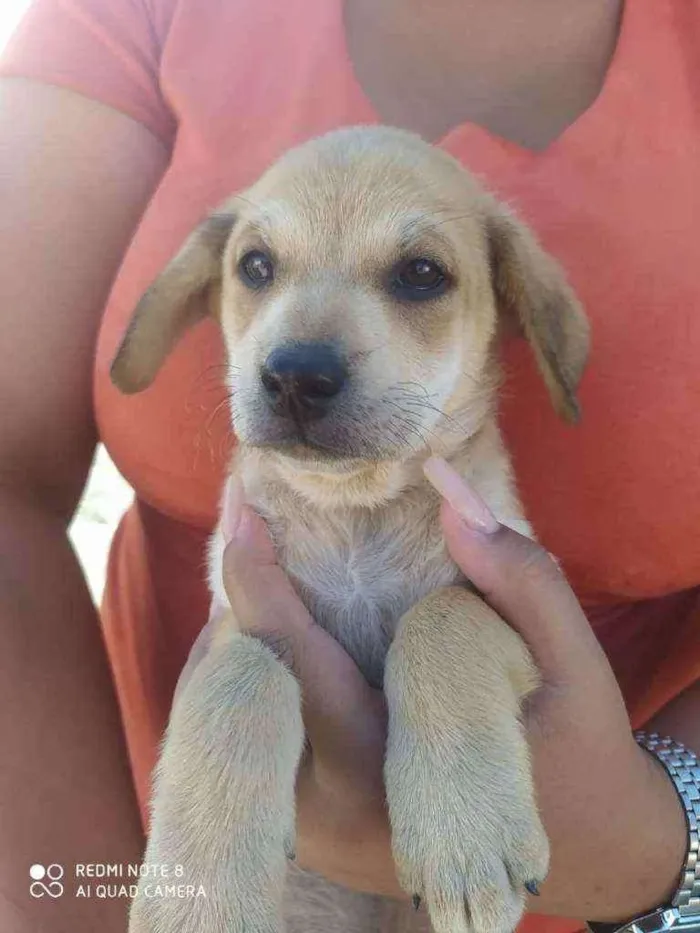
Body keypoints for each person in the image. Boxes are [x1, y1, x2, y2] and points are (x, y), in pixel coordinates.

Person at [0, 0, 699, 931]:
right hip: (140, 842)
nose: (299, 358)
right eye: (260, 267)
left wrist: (655, 845)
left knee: (453, 639)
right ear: (196, 293)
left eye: (416, 275)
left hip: (582, 900)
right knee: (242, 676)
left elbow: (481, 621)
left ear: (519, 312)